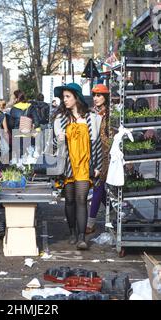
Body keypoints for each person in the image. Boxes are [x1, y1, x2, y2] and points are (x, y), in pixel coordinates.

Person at [54, 83, 102, 250]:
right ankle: (72, 232)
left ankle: (82, 238)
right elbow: (54, 145)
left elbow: (97, 144)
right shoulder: (60, 119)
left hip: (84, 164)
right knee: (69, 200)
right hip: (68, 165)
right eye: (63, 97)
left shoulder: (92, 118)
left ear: (76, 97)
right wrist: (58, 140)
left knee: (81, 199)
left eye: (67, 96)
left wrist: (98, 166)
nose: (64, 100)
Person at [87, 84, 111, 234]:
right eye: (94, 95)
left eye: (99, 95)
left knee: (98, 186)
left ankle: (90, 223)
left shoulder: (110, 114)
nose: (96, 98)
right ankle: (116, 213)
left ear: (105, 97)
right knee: (101, 191)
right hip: (93, 154)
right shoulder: (91, 113)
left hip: (106, 155)